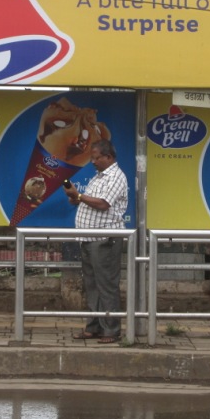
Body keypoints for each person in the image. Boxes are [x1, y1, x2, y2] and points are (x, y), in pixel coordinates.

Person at [63, 139, 128, 344]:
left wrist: (80, 195)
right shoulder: (99, 177)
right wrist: (76, 198)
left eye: (96, 157)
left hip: (105, 238)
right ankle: (94, 326)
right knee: (91, 285)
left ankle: (111, 330)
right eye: (92, 158)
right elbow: (90, 201)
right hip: (90, 237)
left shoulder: (116, 176)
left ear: (108, 157)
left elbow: (103, 204)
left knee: (106, 285)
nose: (93, 161)